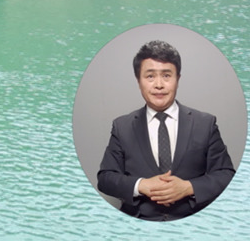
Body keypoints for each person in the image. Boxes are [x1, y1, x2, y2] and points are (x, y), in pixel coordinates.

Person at [96, 40, 235, 221]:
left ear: (178, 79)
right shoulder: (122, 126)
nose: (159, 84)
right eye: (150, 76)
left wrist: (188, 187)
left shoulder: (205, 123)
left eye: (167, 75)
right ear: (138, 81)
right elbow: (106, 178)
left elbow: (226, 175)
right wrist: (141, 185)